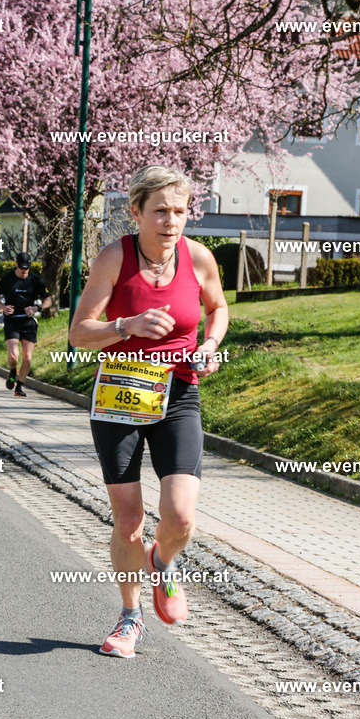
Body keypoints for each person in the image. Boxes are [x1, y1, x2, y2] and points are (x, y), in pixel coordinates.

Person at [68, 164, 228, 658]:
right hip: (119, 395)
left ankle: (163, 559)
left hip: (178, 392)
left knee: (180, 517)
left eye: (180, 211)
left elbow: (218, 307)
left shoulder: (198, 258)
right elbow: (79, 332)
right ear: (136, 212)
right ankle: (130, 617)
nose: (171, 221)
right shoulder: (114, 258)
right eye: (160, 211)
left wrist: (211, 343)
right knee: (129, 519)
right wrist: (127, 324)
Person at [0, 252, 52, 397]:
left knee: (27, 358)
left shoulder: (35, 280)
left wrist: (36, 308)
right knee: (13, 356)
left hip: (28, 323)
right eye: (21, 268)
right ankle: (13, 371)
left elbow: (48, 300)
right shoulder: (7, 279)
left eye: (27, 268)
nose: (24, 271)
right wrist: (3, 307)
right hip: (12, 321)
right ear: (16, 264)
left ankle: (19, 386)